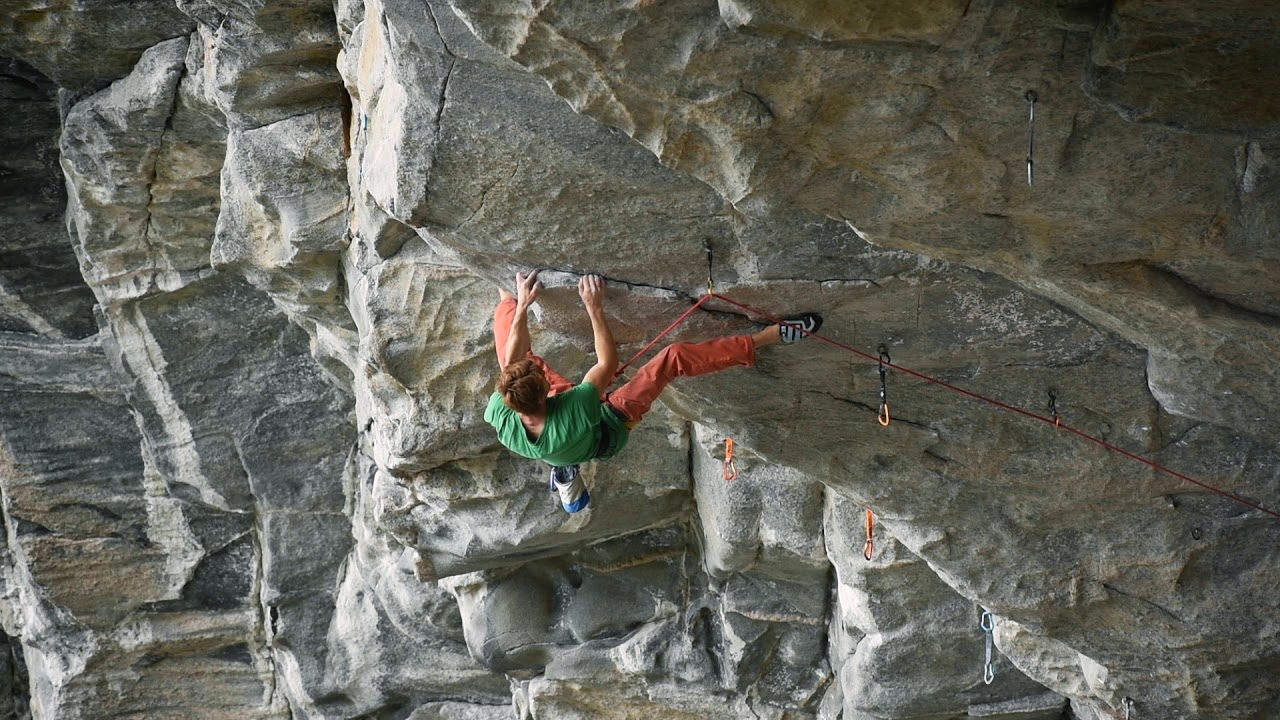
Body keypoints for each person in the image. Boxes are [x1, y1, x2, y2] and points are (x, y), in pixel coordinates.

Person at [484, 270, 821, 513]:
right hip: (606, 428)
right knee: (671, 359)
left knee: (508, 353)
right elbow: (607, 360)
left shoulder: (505, 409)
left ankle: (506, 294)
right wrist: (593, 306)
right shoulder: (577, 406)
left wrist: (522, 304)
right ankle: (767, 338)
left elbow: (512, 360)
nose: (540, 369)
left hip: (558, 434)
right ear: (546, 393)